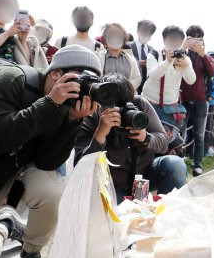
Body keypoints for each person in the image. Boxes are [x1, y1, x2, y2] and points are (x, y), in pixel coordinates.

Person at [0, 45, 100, 258]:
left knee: (52, 192)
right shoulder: (13, 81)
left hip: (16, 170)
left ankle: (30, 250)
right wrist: (50, 103)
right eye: (78, 78)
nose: (80, 89)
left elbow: (48, 162)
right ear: (56, 74)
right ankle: (6, 226)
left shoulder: (68, 105)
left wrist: (72, 121)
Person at [73, 74, 187, 202]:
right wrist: (100, 134)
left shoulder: (139, 104)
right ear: (101, 102)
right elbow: (80, 167)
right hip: (112, 184)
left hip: (144, 175)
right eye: (114, 106)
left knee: (175, 165)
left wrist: (146, 137)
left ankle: (167, 210)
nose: (120, 112)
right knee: (120, 216)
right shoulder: (92, 117)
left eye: (125, 105)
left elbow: (163, 143)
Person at [141, 25, 195, 131]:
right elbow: (153, 76)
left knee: (169, 143)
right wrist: (167, 62)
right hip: (149, 103)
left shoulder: (185, 58)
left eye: (177, 40)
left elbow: (191, 81)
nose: (174, 43)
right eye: (171, 39)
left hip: (170, 108)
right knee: (146, 140)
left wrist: (186, 67)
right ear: (164, 40)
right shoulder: (154, 54)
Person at [180, 25, 214, 176]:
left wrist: (203, 54)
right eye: (191, 38)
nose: (194, 42)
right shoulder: (182, 54)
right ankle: (179, 162)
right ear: (187, 39)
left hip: (200, 101)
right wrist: (183, 48)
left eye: (198, 38)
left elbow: (212, 72)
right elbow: (173, 65)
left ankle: (197, 165)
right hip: (183, 99)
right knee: (180, 133)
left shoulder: (205, 57)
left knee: (199, 135)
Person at [97, 23, 142, 90]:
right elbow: (95, 77)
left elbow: (137, 78)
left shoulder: (131, 59)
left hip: (126, 97)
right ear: (105, 39)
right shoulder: (98, 57)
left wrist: (124, 90)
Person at [129, 20, 159, 94]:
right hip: (130, 86)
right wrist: (136, 63)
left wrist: (149, 64)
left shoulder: (153, 51)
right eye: (144, 31)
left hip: (147, 90)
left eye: (149, 32)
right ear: (138, 31)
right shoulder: (127, 46)